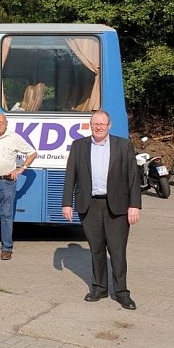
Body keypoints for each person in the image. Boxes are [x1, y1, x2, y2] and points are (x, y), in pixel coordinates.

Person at [62, 110, 141, 310]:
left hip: (118, 206)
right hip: (89, 205)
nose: (98, 127)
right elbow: (71, 175)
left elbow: (133, 177)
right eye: (95, 123)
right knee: (96, 249)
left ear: (109, 125)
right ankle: (99, 288)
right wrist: (67, 203)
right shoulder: (79, 146)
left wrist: (134, 205)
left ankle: (122, 292)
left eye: (102, 124)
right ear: (90, 125)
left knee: (117, 251)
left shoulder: (123, 146)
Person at [0, 112, 37, 260]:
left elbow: (32, 153)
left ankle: (6, 248)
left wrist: (21, 168)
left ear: (6, 123)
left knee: (6, 216)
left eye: (1, 122)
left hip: (7, 182)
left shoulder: (14, 137)